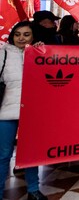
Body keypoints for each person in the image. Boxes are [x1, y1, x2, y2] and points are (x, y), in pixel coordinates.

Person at [0, 21, 48, 200]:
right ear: (12, 36)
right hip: (5, 111)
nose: (21, 38)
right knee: (3, 155)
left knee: (30, 154)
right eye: (18, 34)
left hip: (31, 112)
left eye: (26, 34)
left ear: (33, 36)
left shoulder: (39, 52)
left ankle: (33, 190)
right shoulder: (3, 53)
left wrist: (42, 53)